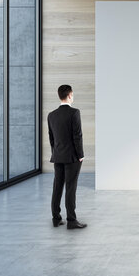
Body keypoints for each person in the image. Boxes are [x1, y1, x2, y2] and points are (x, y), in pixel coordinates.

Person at [47, 84, 87, 229]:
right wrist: (80, 154)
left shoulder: (51, 115)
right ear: (70, 95)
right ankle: (71, 220)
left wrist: (55, 153)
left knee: (57, 187)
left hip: (57, 156)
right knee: (70, 188)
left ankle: (56, 218)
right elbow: (77, 136)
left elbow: (51, 138)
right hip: (72, 157)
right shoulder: (74, 113)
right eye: (72, 94)